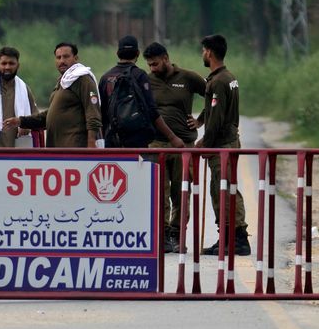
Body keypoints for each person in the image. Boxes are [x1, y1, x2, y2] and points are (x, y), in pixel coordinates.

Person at [143, 41, 206, 253]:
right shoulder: (148, 81)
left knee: (181, 192)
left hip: (183, 144)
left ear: (166, 58)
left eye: (155, 64)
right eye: (149, 65)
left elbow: (214, 94)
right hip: (156, 143)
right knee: (159, 191)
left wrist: (201, 119)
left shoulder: (188, 77)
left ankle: (176, 233)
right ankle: (163, 233)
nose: (152, 68)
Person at [190, 34, 250, 256]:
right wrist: (200, 120)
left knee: (224, 190)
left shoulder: (218, 81)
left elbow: (216, 120)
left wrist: (204, 144)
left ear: (209, 52)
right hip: (230, 140)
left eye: (203, 50)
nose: (202, 55)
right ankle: (226, 238)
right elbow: (214, 109)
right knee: (224, 189)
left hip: (222, 145)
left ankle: (237, 239)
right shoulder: (227, 77)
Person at [3, 42, 102, 148]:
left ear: (76, 58)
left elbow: (93, 114)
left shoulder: (82, 79)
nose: (62, 61)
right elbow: (49, 115)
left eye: (66, 57)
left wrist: (91, 145)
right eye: (58, 57)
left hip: (75, 148)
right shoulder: (64, 81)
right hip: (57, 149)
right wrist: (20, 121)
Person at [98, 35, 185, 149]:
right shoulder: (139, 75)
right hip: (136, 141)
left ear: (117, 53)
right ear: (138, 53)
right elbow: (151, 111)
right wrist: (172, 137)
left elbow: (101, 114)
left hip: (112, 140)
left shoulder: (106, 78)